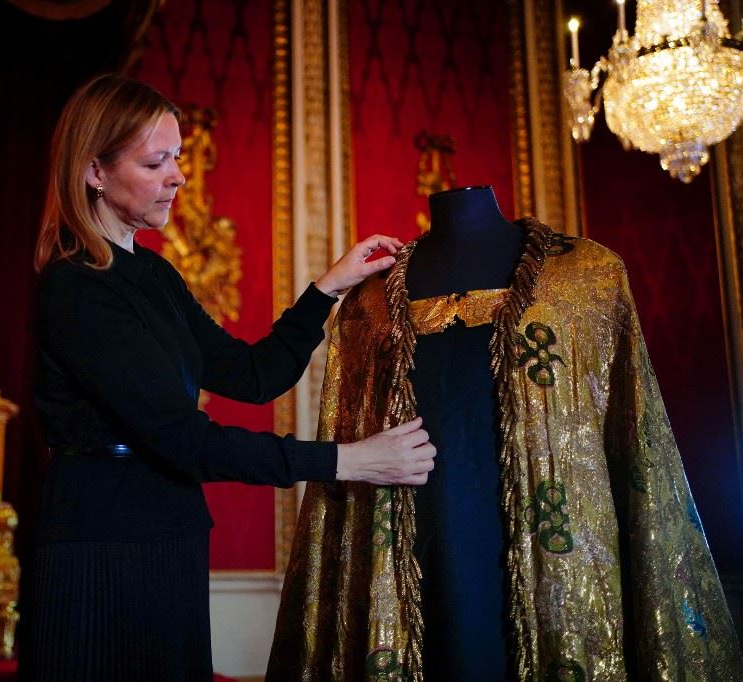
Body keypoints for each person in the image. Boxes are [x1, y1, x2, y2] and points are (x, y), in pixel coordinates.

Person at [23, 73, 438, 681]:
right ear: (94, 171)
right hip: (100, 547)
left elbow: (253, 374)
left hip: (172, 532)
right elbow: (185, 440)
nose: (178, 177)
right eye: (156, 162)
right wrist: (348, 461)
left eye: (177, 157)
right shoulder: (76, 288)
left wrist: (328, 288)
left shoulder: (155, 276)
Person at [267, 186, 743, 680]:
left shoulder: (588, 274)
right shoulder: (369, 301)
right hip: (418, 546)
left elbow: (634, 432)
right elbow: (318, 411)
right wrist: (324, 290)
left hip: (557, 549)